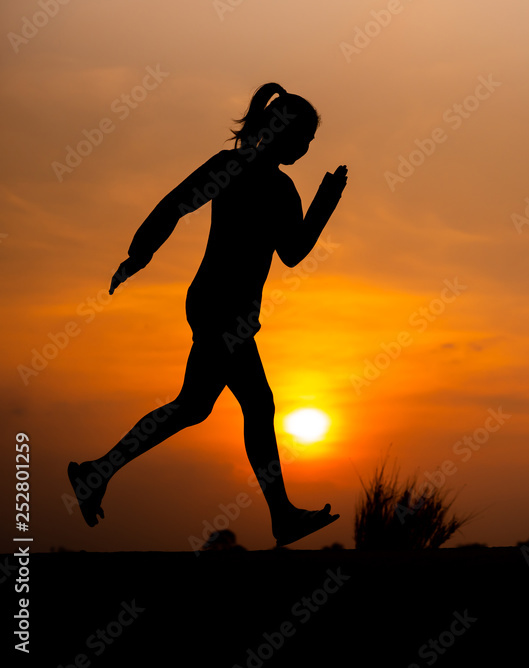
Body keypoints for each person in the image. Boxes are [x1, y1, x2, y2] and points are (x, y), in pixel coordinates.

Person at [68, 82, 348, 547]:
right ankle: (281, 517)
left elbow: (289, 250)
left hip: (220, 309)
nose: (305, 148)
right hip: (221, 310)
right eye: (304, 139)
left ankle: (97, 471)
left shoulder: (267, 182)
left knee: (193, 407)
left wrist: (323, 202)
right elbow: (175, 209)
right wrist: (138, 256)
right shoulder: (241, 172)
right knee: (256, 406)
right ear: (281, 132)